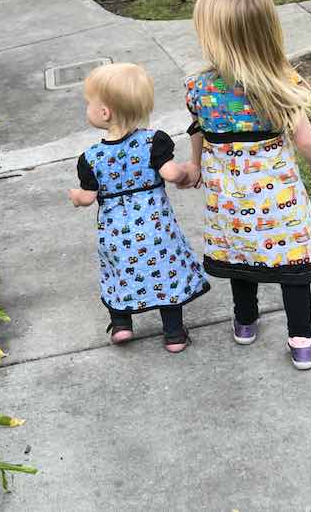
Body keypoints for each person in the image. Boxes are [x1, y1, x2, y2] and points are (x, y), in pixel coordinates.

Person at [179, 0, 311, 370]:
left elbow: (197, 130)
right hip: (277, 199)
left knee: (238, 255)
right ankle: (301, 341)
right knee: (291, 264)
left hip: (228, 198)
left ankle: (245, 322)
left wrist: (194, 165)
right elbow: (305, 138)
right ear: (266, 30)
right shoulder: (282, 83)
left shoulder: (198, 88)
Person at [69, 63, 210, 353]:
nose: (88, 108)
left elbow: (87, 196)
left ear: (104, 112)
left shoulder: (91, 157)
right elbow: (170, 173)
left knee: (118, 272)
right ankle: (173, 335)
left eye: (89, 103)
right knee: (165, 273)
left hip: (116, 235)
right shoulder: (153, 141)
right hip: (156, 231)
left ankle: (121, 324)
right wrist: (186, 171)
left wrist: (75, 196)